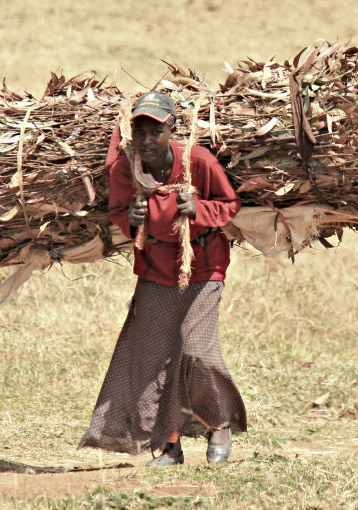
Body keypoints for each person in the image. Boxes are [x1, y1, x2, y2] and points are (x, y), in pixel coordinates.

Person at [78, 91, 246, 466]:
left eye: (155, 131)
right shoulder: (127, 168)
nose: (147, 140)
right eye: (139, 131)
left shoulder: (196, 161)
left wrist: (198, 208)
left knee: (196, 351)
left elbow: (230, 205)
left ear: (171, 128)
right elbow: (117, 212)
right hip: (156, 271)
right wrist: (131, 219)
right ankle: (169, 445)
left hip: (202, 268)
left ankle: (218, 424)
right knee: (152, 359)